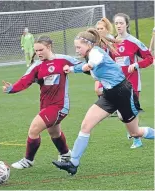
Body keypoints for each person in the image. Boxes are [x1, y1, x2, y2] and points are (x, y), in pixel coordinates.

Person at [52, 28, 154, 175]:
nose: (77, 50)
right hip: (109, 95)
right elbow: (85, 66)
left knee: (135, 132)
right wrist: (72, 69)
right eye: (76, 47)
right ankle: (73, 163)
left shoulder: (95, 52)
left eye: (79, 47)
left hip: (123, 93)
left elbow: (96, 60)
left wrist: (90, 65)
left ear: (88, 44)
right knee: (86, 125)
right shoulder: (89, 55)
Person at [2, 35, 84, 169]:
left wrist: (95, 70)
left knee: (34, 129)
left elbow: (83, 66)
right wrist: (11, 89)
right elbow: (25, 80)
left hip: (59, 106)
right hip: (46, 106)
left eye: (41, 50)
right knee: (54, 133)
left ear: (49, 47)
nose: (38, 53)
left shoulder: (63, 60)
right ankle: (65, 154)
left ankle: (28, 160)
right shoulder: (37, 66)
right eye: (36, 51)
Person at [111, 13, 153, 148]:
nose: (118, 26)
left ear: (127, 25)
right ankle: (135, 133)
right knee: (122, 114)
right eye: (116, 23)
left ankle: (137, 139)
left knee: (128, 112)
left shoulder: (134, 42)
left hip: (132, 84)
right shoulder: (112, 43)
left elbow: (149, 58)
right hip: (117, 84)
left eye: (121, 23)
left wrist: (136, 65)